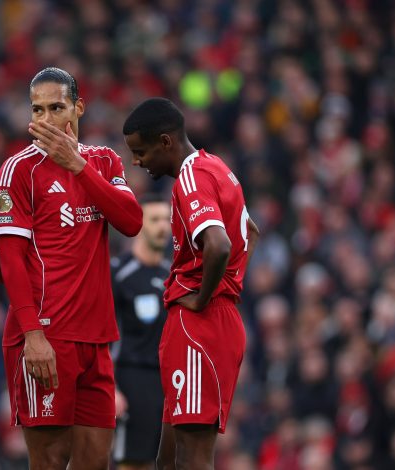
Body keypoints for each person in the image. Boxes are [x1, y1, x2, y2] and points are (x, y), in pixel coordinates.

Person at [0, 67, 143, 469]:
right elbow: (11, 261)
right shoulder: (18, 170)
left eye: (56, 107)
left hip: (96, 338)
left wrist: (77, 166)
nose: (45, 120)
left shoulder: (104, 162)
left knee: (96, 460)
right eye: (36, 110)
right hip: (47, 335)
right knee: (51, 460)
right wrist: (33, 335)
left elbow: (131, 222)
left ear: (78, 108)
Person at [122, 97, 260, 470]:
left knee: (192, 458)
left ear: (166, 142)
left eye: (140, 151)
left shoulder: (191, 177)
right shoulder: (216, 166)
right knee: (169, 459)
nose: (137, 161)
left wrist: (200, 298)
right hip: (209, 321)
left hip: (200, 321)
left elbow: (219, 244)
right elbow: (251, 230)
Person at [111, 193, 172, 470]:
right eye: (155, 219)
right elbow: (104, 335)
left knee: (166, 461)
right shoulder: (118, 273)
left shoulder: (173, 274)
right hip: (131, 378)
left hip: (169, 382)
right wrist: (111, 388)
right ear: (139, 224)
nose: (163, 227)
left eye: (167, 220)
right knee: (132, 462)